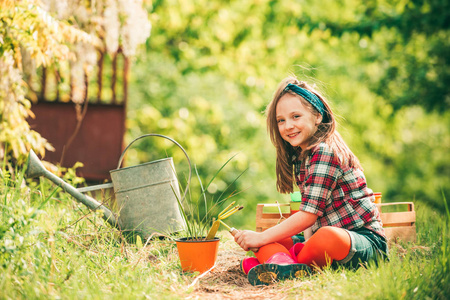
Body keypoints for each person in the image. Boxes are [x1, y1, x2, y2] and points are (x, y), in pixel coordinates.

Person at [234, 76, 388, 286]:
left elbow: (308, 215)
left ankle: (281, 265)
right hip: (320, 244)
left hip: (362, 242)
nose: (288, 126)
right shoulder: (301, 157)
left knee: (325, 237)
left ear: (317, 116)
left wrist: (261, 239)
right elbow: (310, 221)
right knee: (273, 237)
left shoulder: (325, 151)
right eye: (281, 120)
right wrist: (266, 238)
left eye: (295, 116)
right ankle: (287, 265)